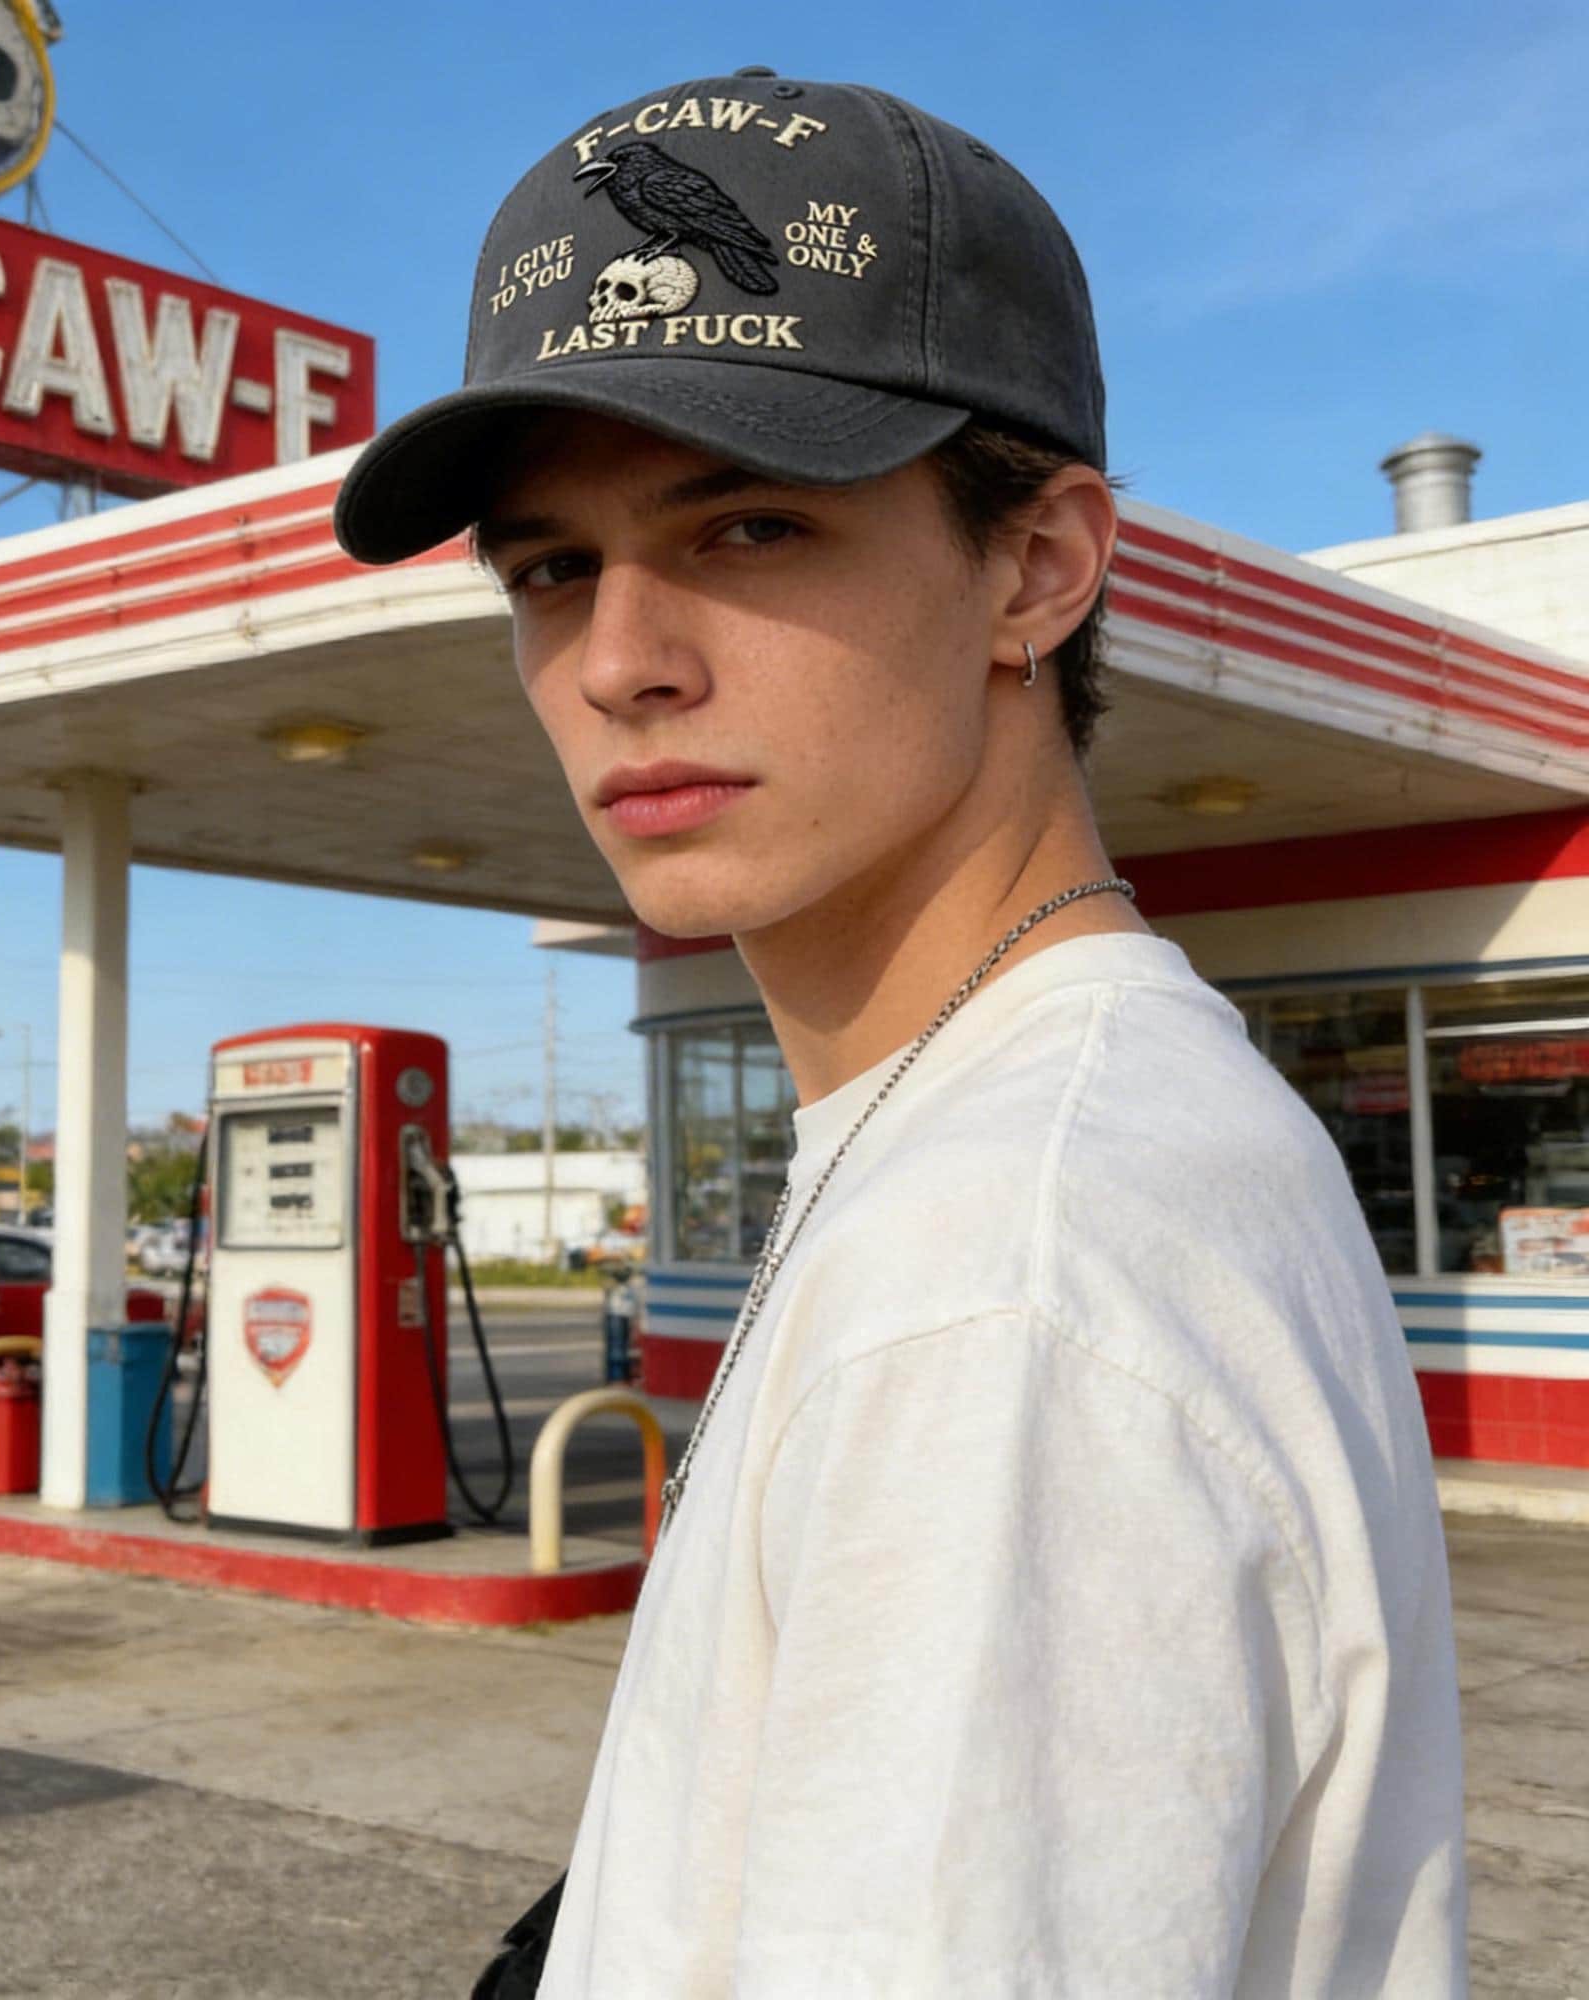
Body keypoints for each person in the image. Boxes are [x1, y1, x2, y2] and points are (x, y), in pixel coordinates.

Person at [336, 68, 1467, 1999]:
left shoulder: (1008, 1265)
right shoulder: (1007, 1129)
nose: (618, 660)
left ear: (1037, 566)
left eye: (753, 527)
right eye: (548, 570)